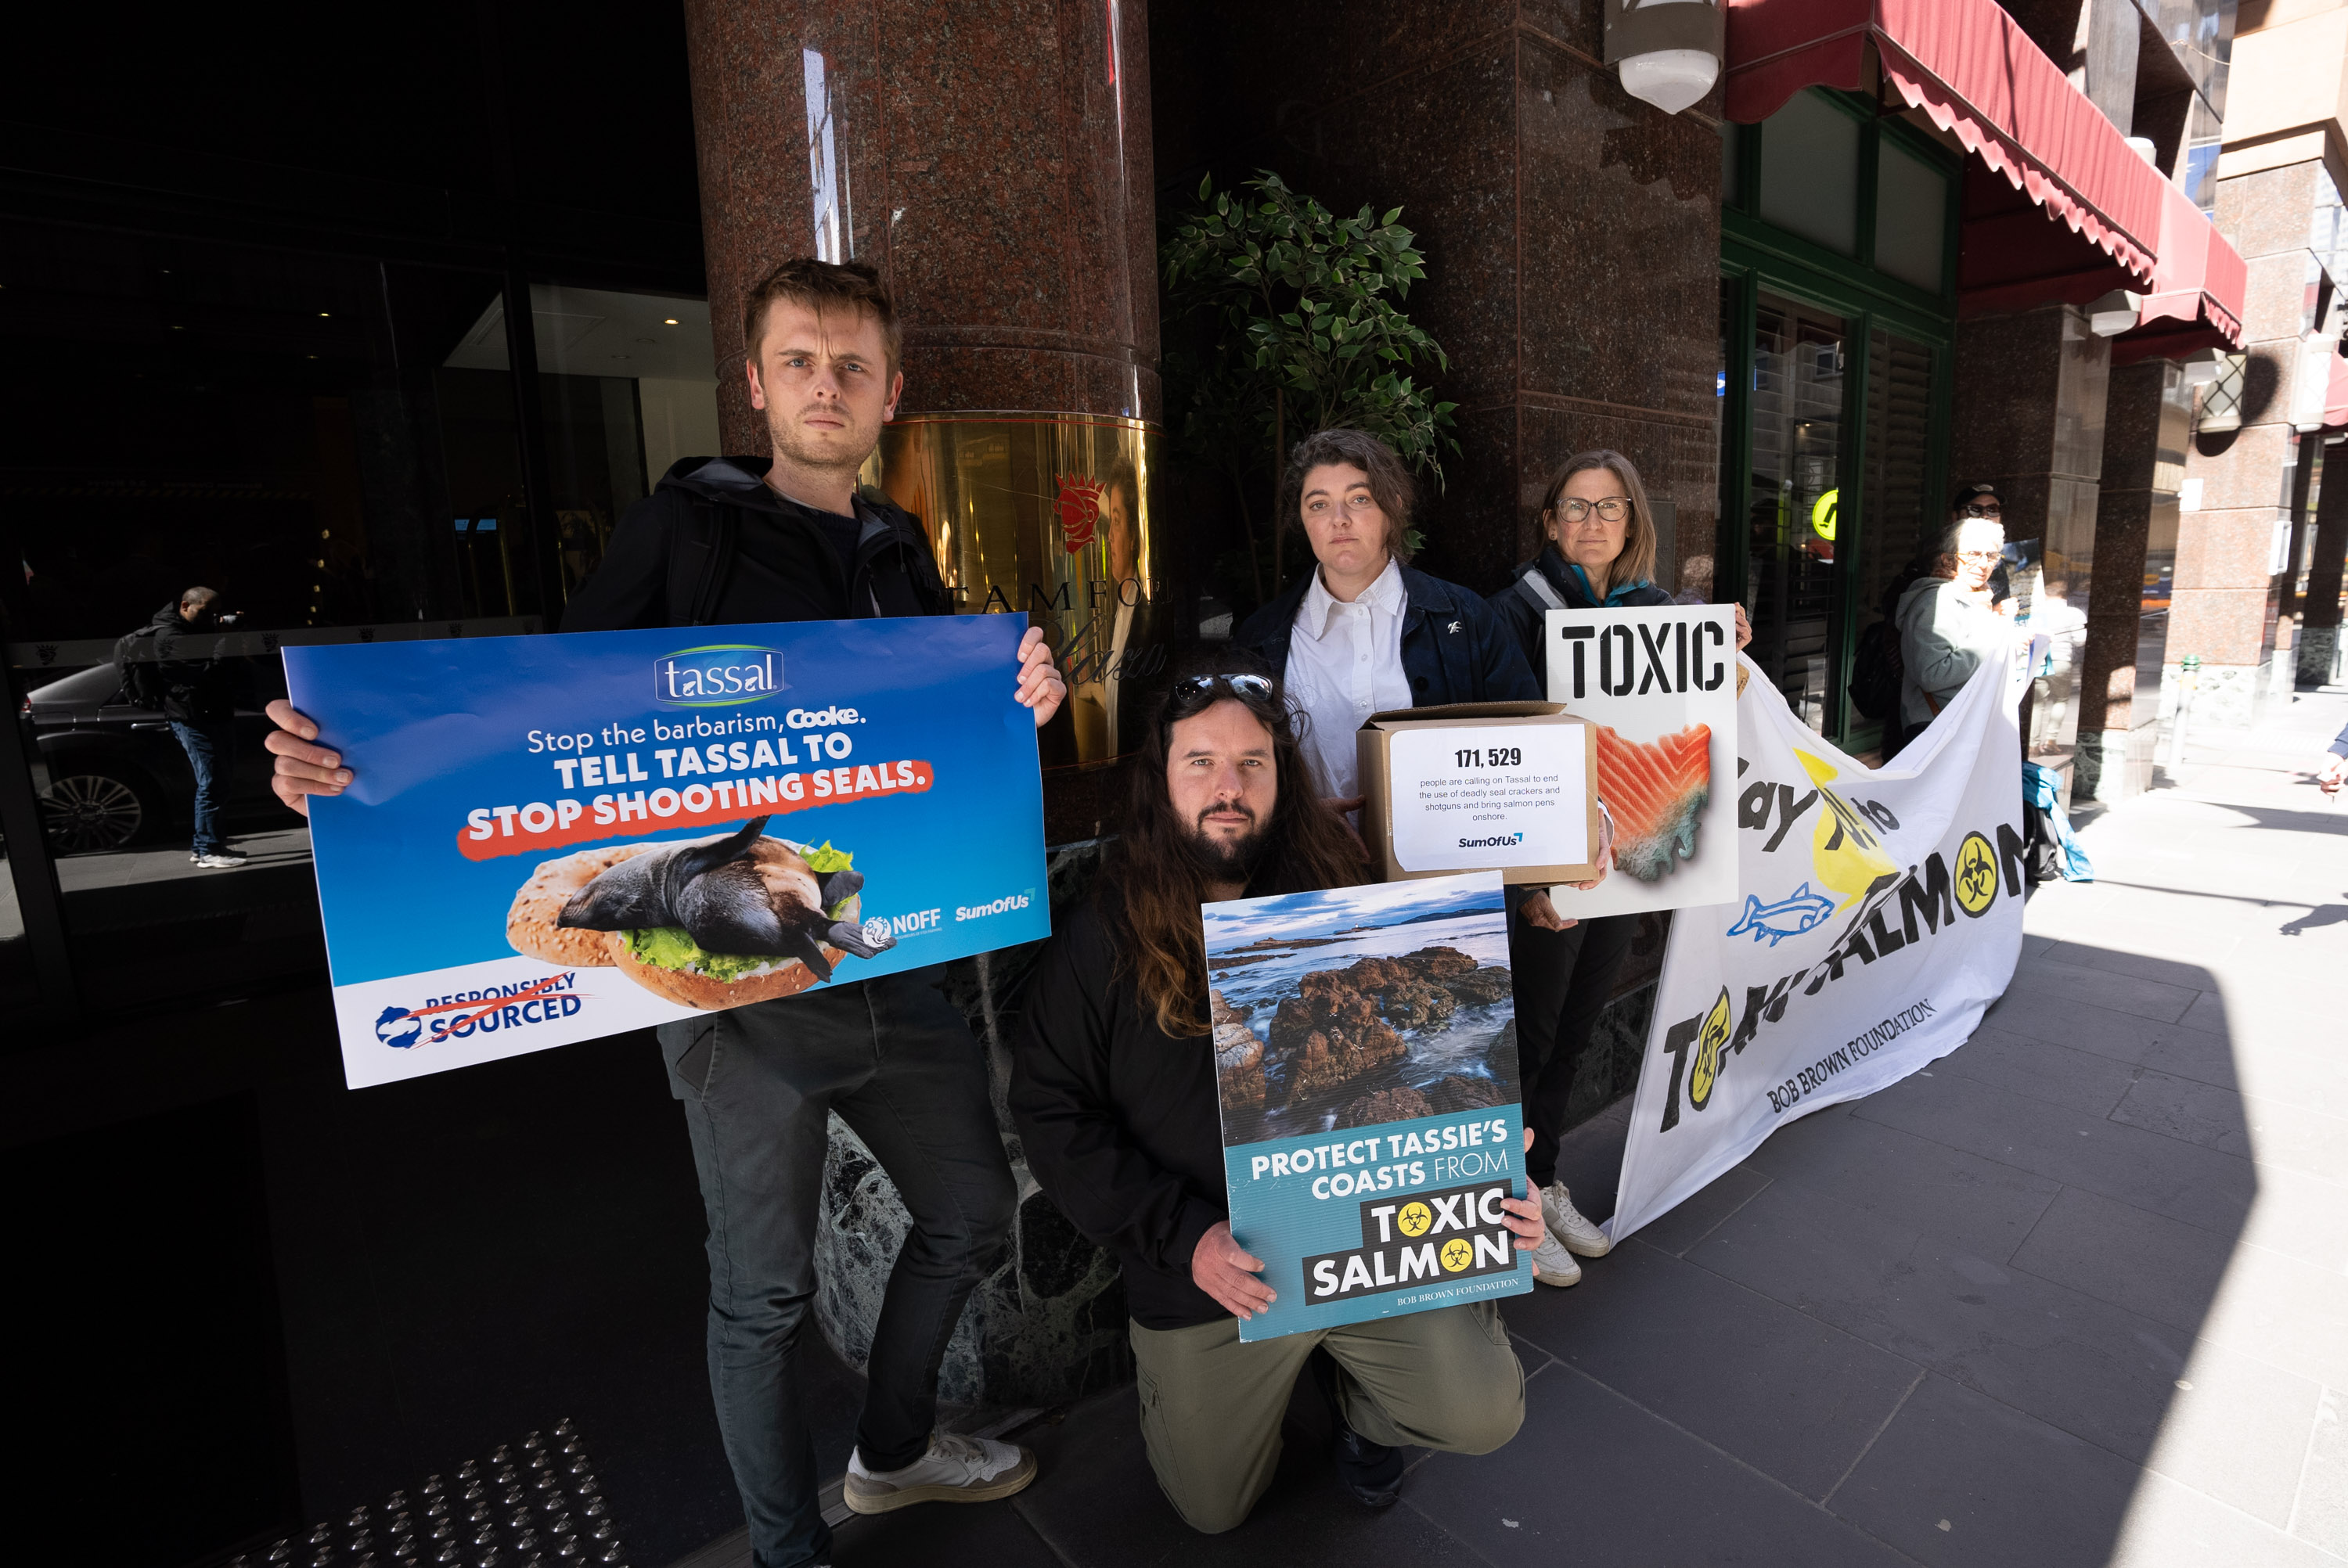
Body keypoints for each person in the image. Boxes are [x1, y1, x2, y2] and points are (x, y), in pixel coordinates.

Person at [265, 258, 1067, 1568]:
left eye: (853, 365)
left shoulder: (903, 552)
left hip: (880, 963)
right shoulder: (687, 530)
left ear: (892, 395)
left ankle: (895, 1447)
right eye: (801, 360)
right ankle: (780, 1547)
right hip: (731, 998)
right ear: (754, 383)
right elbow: (536, 731)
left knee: (973, 1214)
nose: (828, 385)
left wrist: (1017, 692)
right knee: (761, 1295)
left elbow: (941, 748)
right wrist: (338, 773)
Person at [1009, 653, 1539, 1533]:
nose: (1229, 786)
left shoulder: (1343, 895)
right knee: (1212, 1510)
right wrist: (1186, 1241)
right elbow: (1052, 1112)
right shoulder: (1105, 933)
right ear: (1162, 781)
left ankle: (1365, 1413)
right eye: (1201, 764)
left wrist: (1485, 1168)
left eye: (1252, 763)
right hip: (1218, 1272)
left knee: (1484, 1415)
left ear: (1281, 780)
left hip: (1366, 1242)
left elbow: (1475, 973)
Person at [1486, 449, 1749, 1291]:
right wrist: (1531, 885)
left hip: (1626, 859)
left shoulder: (1660, 615)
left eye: (1609, 508)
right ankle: (1510, 1205)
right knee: (1528, 1040)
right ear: (1549, 521)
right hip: (1550, 869)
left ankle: (1545, 1179)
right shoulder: (1511, 613)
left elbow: (1701, 716)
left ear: (1633, 522)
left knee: (1572, 1034)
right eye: (1575, 507)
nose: (1591, 522)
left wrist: (1727, 653)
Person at [1233, 428, 1541, 814]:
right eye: (1318, 505)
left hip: (1445, 865)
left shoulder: (1465, 619)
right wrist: (1296, 822)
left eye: (1359, 499)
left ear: (1392, 507)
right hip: (1314, 868)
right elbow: (1237, 775)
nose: (1339, 520)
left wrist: (1585, 815)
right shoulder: (1262, 641)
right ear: (1302, 518)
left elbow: (1533, 745)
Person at [1896, 484, 2016, 735]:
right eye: (1972, 554)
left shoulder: (1978, 597)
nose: (1983, 564)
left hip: (1970, 719)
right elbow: (1933, 675)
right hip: (1938, 726)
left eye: (1991, 556)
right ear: (1948, 559)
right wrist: (1997, 634)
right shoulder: (1937, 600)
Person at [155, 586, 247, 869]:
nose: (212, 618)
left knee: (221, 781)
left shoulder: (194, 631)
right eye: (206, 612)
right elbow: (208, 673)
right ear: (185, 606)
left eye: (217, 614)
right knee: (211, 782)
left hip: (214, 713)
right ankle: (208, 850)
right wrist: (223, 639)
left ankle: (206, 846)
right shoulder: (169, 636)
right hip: (192, 718)